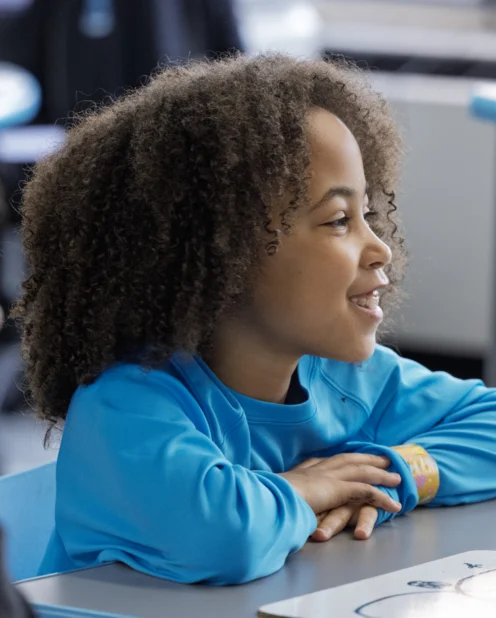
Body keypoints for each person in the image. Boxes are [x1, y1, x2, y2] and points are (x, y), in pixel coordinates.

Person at [13, 54, 496, 586]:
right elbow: (225, 536)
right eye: (339, 220)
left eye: (369, 216)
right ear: (224, 255)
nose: (380, 249)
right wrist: (308, 488)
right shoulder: (125, 407)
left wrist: (393, 475)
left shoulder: (352, 381)